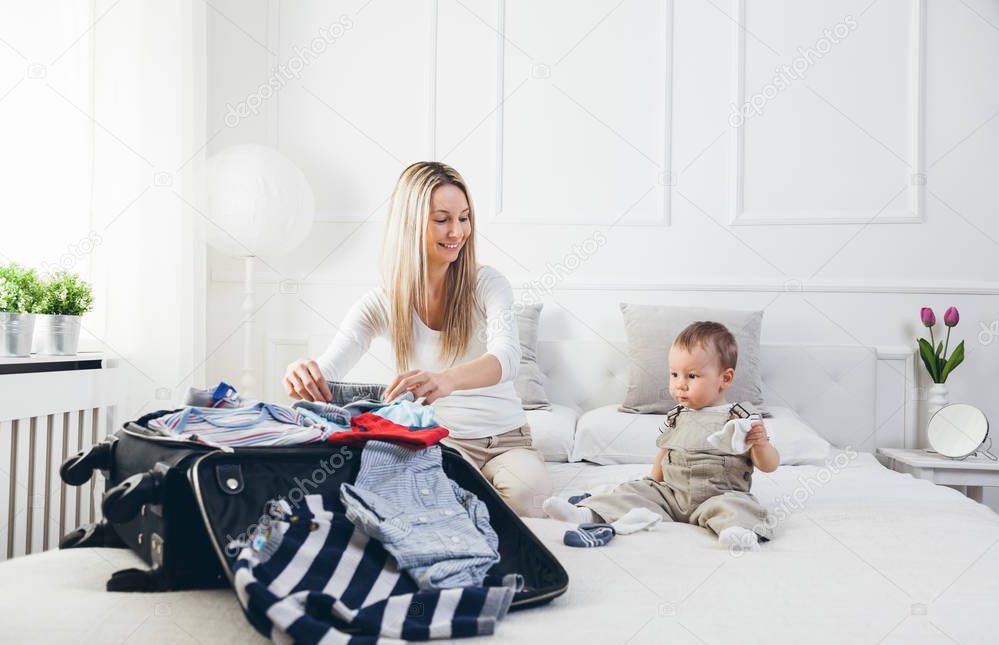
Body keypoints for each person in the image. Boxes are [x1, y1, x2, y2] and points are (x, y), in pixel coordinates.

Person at [283, 161, 552, 517]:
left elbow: (507, 357)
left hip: (506, 441)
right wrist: (303, 372)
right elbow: (329, 368)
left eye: (464, 217)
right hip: (440, 444)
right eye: (442, 219)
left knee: (531, 498)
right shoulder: (382, 303)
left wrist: (445, 380)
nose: (457, 231)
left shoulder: (487, 284)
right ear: (411, 224)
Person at [542, 321, 779, 549]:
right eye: (674, 374)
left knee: (738, 505)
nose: (680, 384)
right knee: (633, 492)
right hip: (672, 496)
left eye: (692, 376)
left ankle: (735, 531)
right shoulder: (677, 416)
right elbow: (665, 453)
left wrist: (761, 444)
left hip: (717, 495)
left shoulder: (740, 418)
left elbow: (768, 465)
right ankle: (587, 513)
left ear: (725, 378)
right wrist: (652, 484)